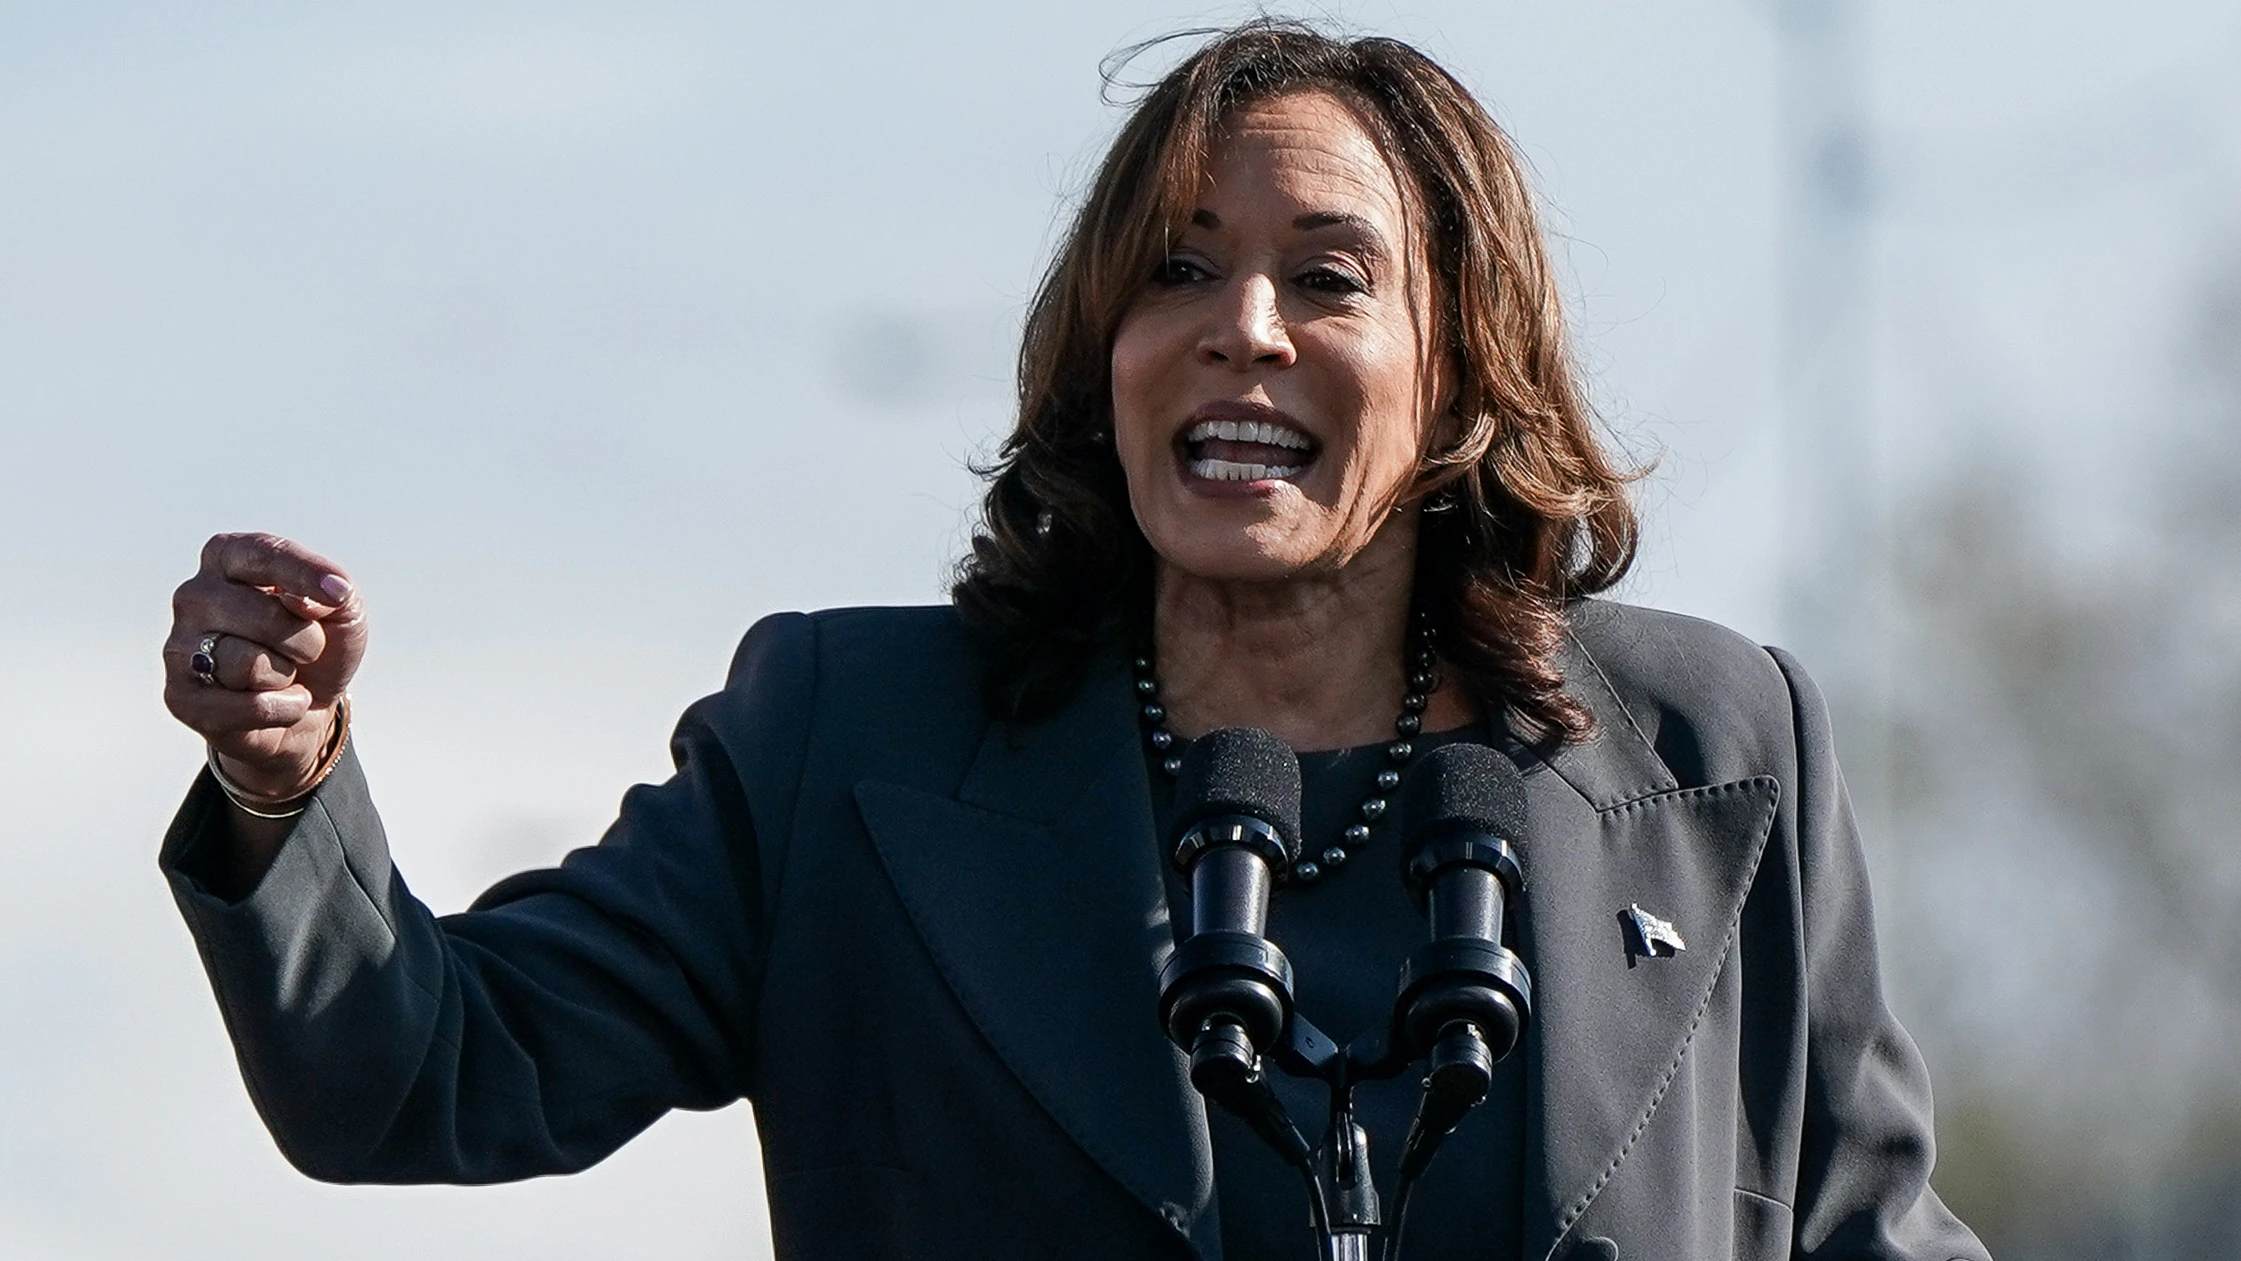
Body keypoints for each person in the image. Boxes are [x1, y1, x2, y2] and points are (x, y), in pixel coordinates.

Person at [157, 22, 1989, 1261]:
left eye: (1327, 276)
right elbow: (423, 1065)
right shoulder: (847, 746)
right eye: (1175, 270)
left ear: (1462, 371)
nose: (1239, 327)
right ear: (1100, 349)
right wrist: (286, 786)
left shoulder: (1712, 752)